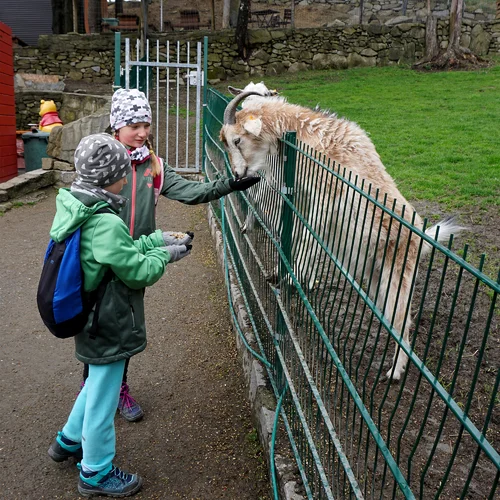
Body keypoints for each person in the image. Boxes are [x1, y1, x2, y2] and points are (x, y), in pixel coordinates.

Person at [79, 88, 260, 423]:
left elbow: (192, 191)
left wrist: (228, 185)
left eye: (146, 124)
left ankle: (114, 386)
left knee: (126, 327)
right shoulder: (102, 163)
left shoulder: (154, 166)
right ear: (116, 125)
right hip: (100, 259)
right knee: (96, 325)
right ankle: (91, 391)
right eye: (133, 124)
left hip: (136, 259)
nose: (142, 132)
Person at [48, 133, 191, 497]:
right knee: (104, 397)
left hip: (88, 312)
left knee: (96, 382)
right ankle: (95, 471)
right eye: (122, 172)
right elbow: (137, 272)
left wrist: (156, 240)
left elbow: (116, 250)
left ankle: (67, 440)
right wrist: (165, 256)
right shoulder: (106, 221)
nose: (128, 178)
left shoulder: (79, 205)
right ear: (107, 176)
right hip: (108, 317)